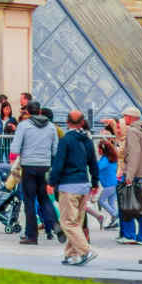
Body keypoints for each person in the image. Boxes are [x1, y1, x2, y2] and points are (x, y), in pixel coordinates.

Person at [47, 110, 100, 266]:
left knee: (67, 223)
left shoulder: (66, 140)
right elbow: (93, 164)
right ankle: (71, 255)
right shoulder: (87, 140)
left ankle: (86, 251)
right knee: (76, 223)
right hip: (84, 185)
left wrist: (51, 182)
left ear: (67, 122)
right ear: (82, 122)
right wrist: (95, 183)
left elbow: (59, 163)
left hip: (69, 185)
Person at [11, 101, 60, 245]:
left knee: (29, 201)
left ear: (27, 111)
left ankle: (32, 235)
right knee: (44, 199)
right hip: (44, 167)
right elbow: (55, 150)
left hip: (29, 167)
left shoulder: (24, 125)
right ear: (39, 111)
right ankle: (55, 224)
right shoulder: (51, 127)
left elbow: (15, 148)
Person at [118, 105, 142, 245]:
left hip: (135, 174)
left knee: (128, 206)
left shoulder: (133, 131)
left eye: (125, 116)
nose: (124, 118)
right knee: (141, 206)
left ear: (132, 117)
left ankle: (129, 235)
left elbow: (134, 154)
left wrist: (129, 176)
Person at [95, 139, 119, 229]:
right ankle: (115, 222)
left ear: (103, 150)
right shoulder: (110, 158)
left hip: (110, 185)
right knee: (111, 203)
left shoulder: (105, 159)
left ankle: (115, 215)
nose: (98, 151)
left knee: (101, 201)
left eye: (99, 149)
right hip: (114, 183)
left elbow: (98, 167)